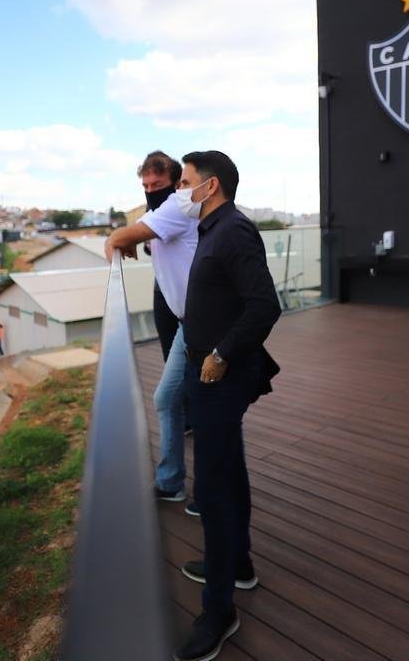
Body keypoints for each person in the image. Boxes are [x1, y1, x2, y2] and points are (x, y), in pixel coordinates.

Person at [173, 150, 280, 661]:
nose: (180, 190)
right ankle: (238, 565)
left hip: (217, 374)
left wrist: (218, 354)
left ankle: (219, 611)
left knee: (213, 489)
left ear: (210, 186)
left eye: (186, 182)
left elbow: (264, 304)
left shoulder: (232, 231)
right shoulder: (214, 229)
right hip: (207, 373)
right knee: (228, 472)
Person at [104, 150, 197, 505]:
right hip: (190, 318)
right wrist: (132, 241)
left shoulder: (178, 205)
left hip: (201, 320)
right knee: (174, 397)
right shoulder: (164, 210)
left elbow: (124, 235)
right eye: (144, 185)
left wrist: (117, 239)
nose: (149, 190)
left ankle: (179, 483)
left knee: (179, 400)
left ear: (174, 182)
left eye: (156, 184)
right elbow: (145, 235)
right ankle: (172, 482)